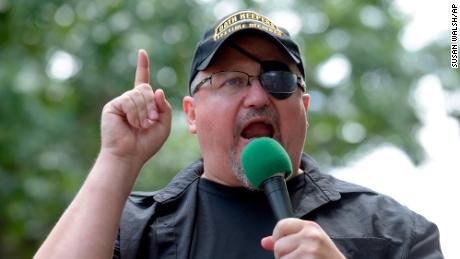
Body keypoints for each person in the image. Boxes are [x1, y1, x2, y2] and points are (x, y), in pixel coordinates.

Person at [35, 10, 443, 259]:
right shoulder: (133, 231)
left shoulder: (395, 231)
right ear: (191, 114)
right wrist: (118, 159)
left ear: (303, 109)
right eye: (231, 80)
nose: (257, 95)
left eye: (279, 78)